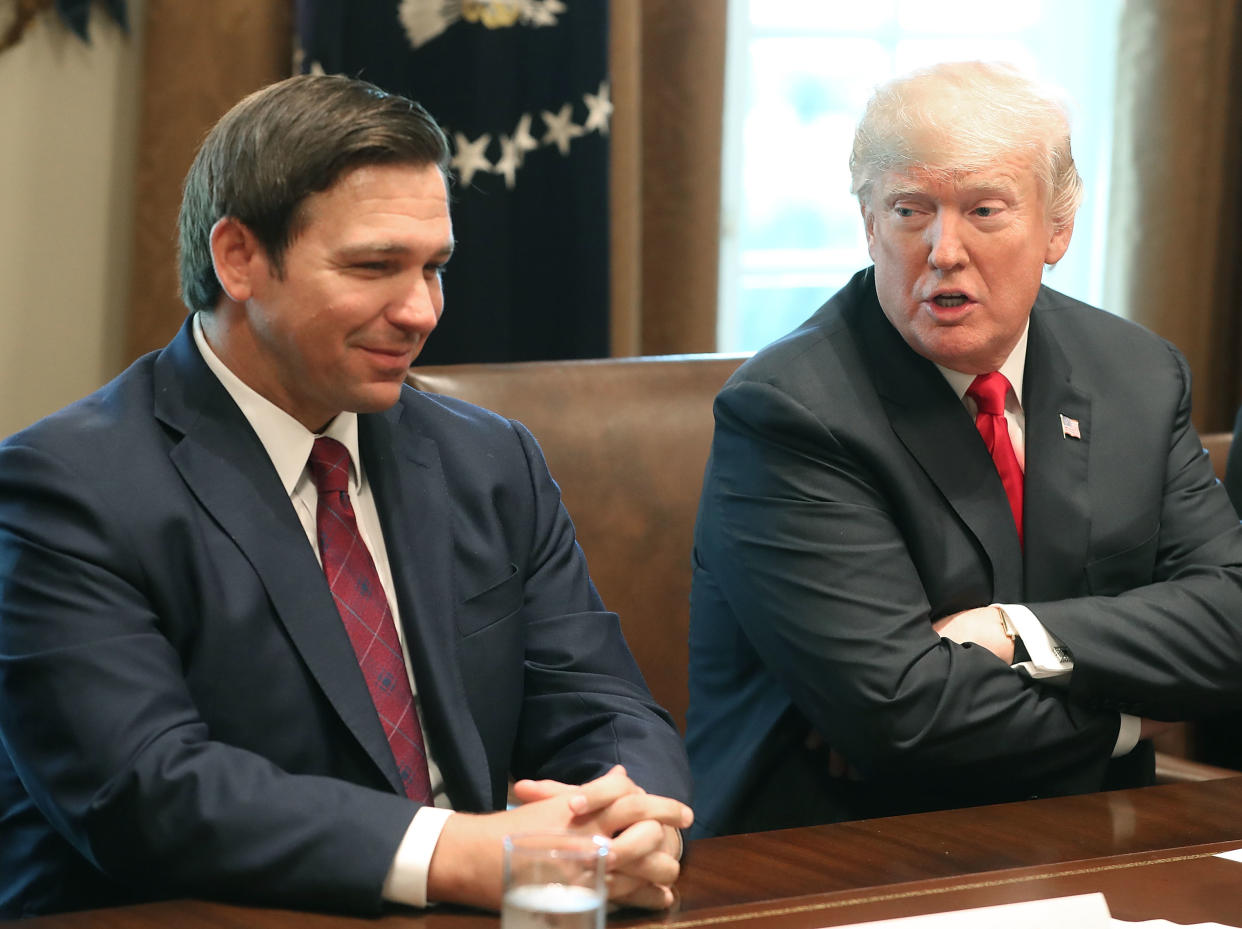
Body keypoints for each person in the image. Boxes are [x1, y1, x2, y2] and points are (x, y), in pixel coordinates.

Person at [0, 74, 692, 918]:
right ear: (239, 258)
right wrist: (454, 852)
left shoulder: (489, 458)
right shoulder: (63, 489)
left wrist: (625, 812)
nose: (421, 310)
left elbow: (603, 700)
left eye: (434, 267)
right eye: (374, 267)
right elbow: (145, 791)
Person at [686, 60, 1242, 838]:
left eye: (984, 210)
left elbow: (1232, 620)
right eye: (911, 210)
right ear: (869, 225)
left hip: (1091, 838)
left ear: (1058, 228)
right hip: (845, 854)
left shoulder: (1137, 375)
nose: (944, 249)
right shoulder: (789, 412)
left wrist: (1020, 631)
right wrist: (1134, 716)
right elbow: (905, 718)